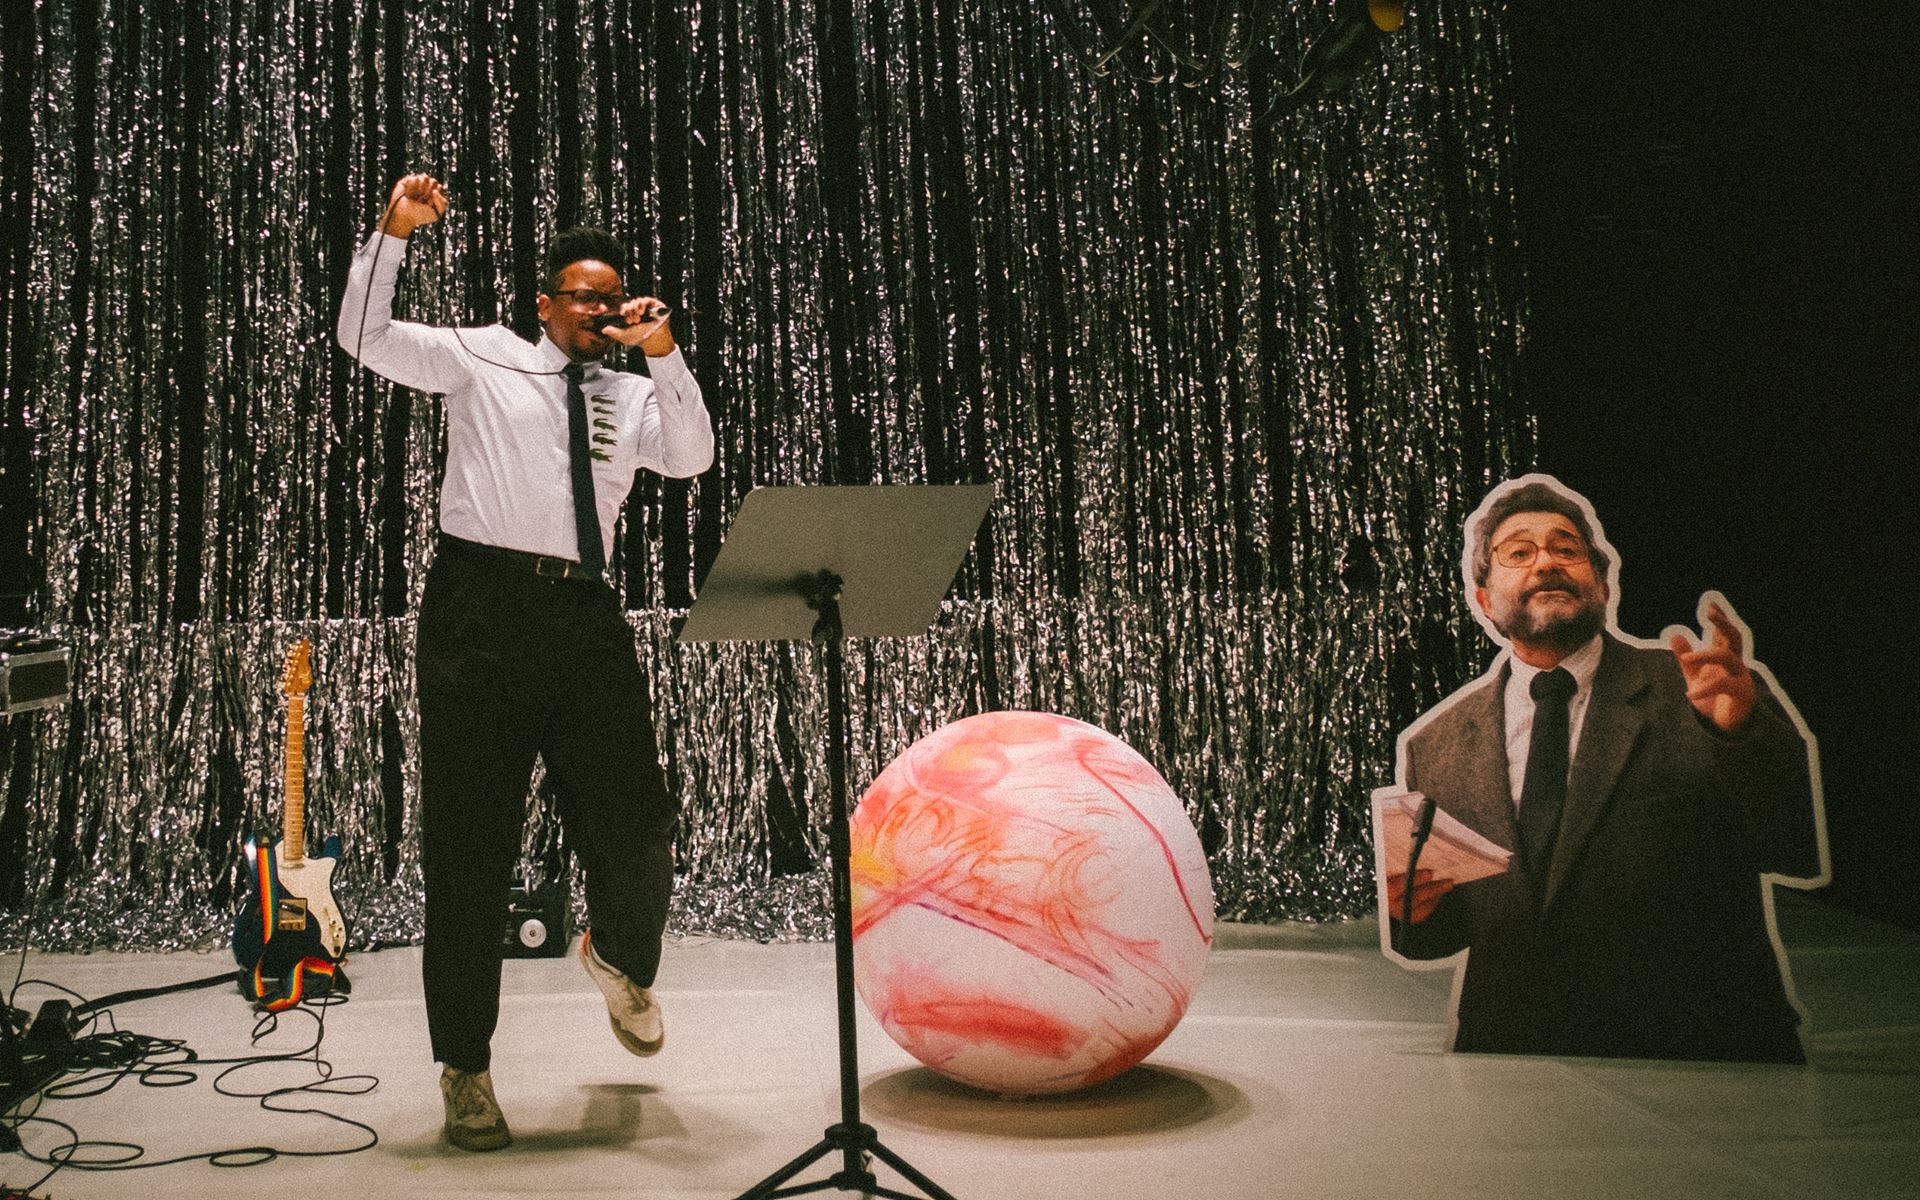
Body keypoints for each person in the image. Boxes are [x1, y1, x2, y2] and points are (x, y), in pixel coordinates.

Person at [337, 173, 714, 1149]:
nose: (598, 310)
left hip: (583, 614)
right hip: (481, 611)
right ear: (545, 304)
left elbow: (691, 457)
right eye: (582, 296)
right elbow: (364, 337)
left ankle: (619, 957)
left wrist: (664, 351)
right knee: (470, 852)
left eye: (612, 298)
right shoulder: (484, 357)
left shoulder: (630, 394)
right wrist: (393, 234)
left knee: (637, 826)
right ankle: (465, 1067)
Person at [1381, 475, 1824, 1062]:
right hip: (1510, 1064)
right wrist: (1410, 912)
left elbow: (1792, 846)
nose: (1546, 562)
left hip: (1700, 1059)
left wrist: (1739, 735)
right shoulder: (1435, 745)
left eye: (1567, 549)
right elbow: (1437, 936)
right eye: (1519, 552)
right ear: (1484, 600)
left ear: (1604, 585)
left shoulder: (1700, 691)